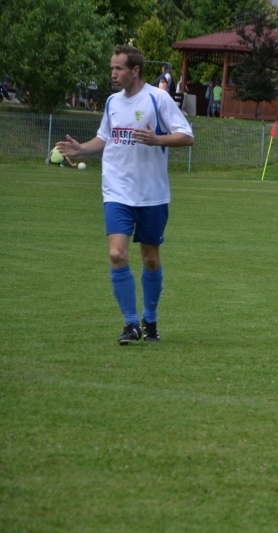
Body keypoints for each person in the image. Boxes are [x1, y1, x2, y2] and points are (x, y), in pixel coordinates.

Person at [56, 44, 194, 345]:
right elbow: (105, 138)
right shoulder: (111, 103)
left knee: (151, 260)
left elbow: (187, 136)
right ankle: (130, 324)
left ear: (135, 70)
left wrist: (157, 139)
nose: (113, 74)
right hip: (116, 190)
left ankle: (150, 319)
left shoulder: (158, 99)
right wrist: (82, 149)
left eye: (119, 68)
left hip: (151, 194)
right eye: (112, 68)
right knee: (117, 254)